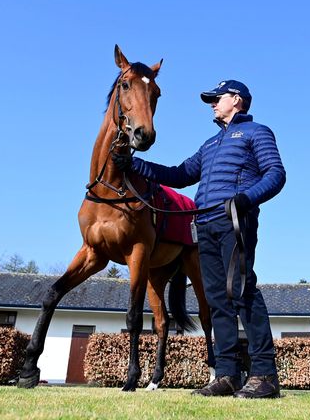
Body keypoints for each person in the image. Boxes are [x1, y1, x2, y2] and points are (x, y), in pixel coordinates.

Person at [112, 79, 286, 398]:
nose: (212, 104)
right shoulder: (209, 145)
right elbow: (180, 174)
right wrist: (135, 165)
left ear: (237, 100)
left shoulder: (257, 132)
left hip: (235, 220)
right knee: (216, 300)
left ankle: (265, 375)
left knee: (242, 291)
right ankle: (228, 375)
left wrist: (246, 199)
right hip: (203, 225)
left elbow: (276, 174)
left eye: (217, 98)